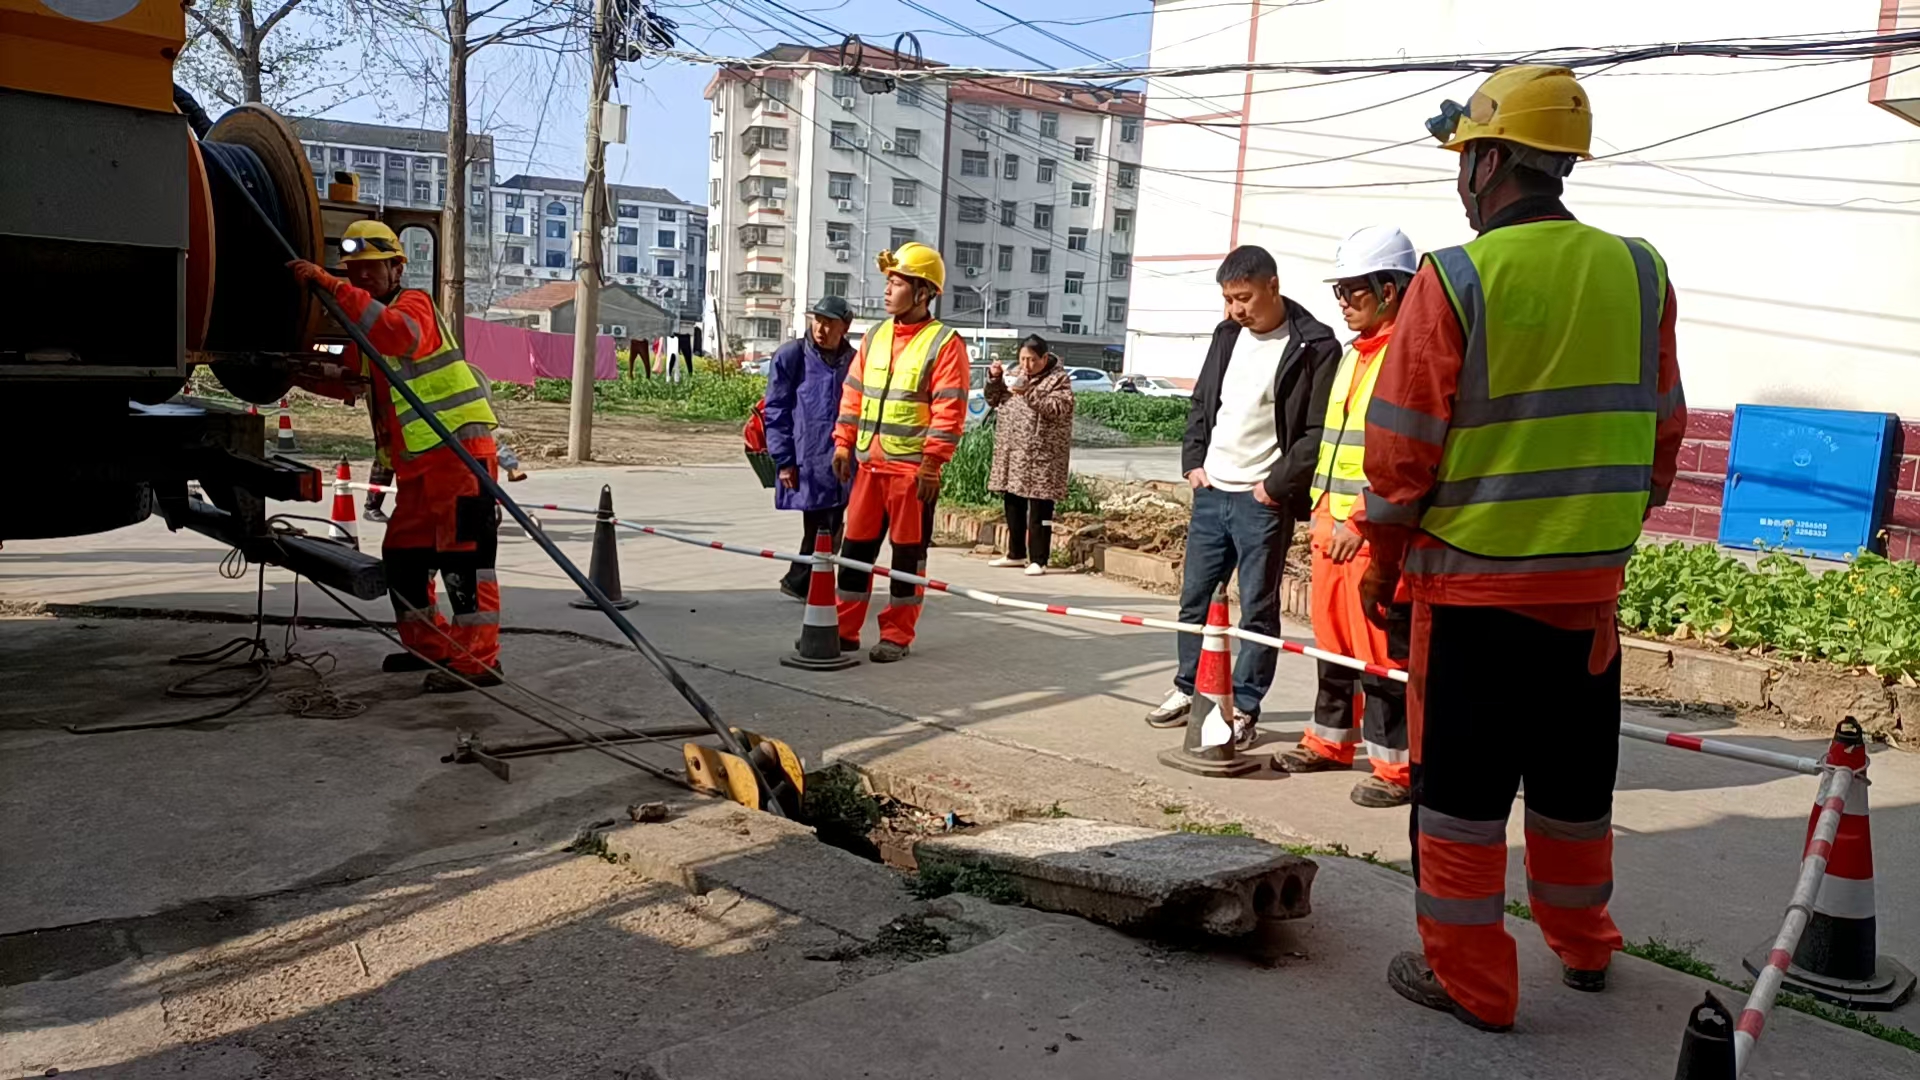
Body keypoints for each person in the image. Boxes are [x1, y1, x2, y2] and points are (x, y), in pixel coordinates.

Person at [1357, 66, 1686, 1032]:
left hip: (1470, 597)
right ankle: (1585, 946)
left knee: (1458, 798)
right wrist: (1601, 536)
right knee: (1575, 787)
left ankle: (1473, 982)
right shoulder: (1639, 270)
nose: (1461, 175)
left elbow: (1401, 452)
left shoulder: (1455, 277)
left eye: (1466, 155)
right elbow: (1664, 431)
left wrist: (1382, 566)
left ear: (1491, 161)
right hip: (1589, 602)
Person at [288, 220, 507, 693]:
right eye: (353, 272)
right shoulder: (367, 325)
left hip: (459, 454)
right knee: (403, 557)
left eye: (371, 269)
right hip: (419, 466)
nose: (361, 278)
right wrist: (287, 370)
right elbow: (344, 376)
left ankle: (479, 663)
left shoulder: (414, 307)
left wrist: (328, 284)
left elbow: (398, 336)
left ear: (396, 268)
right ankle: (431, 648)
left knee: (464, 561)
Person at [1144, 245, 1341, 749]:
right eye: (1229, 299)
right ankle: (1189, 686)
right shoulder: (1227, 334)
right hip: (1212, 491)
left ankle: (1246, 705)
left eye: (1244, 297)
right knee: (1194, 599)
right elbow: (1203, 402)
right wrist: (1193, 463)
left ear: (1272, 286)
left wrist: (1275, 487)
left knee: (1257, 607)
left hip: (1262, 502)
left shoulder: (1316, 345)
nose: (1236, 309)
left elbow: (1315, 431)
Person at [1272, 226, 1419, 809]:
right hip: (1333, 529)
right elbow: (1334, 445)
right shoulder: (1355, 358)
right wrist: (1319, 515)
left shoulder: (1406, 359)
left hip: (1370, 534)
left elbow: (1400, 456)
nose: (1343, 301)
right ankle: (1328, 742)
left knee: (1381, 655)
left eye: (1353, 290)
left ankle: (1397, 770)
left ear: (1390, 289)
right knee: (1334, 646)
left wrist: (1358, 522)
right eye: (1339, 291)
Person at [831, 242, 970, 663]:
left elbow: (950, 407)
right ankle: (844, 630)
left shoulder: (944, 343)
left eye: (897, 282)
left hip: (911, 471)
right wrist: (842, 443)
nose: (887, 290)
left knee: (907, 557)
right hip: (869, 466)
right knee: (854, 551)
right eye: (888, 282)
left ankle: (897, 634)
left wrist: (932, 464)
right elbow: (853, 394)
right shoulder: (875, 335)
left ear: (924, 292)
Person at [765, 296, 857, 599]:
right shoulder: (792, 356)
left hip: (845, 457)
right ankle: (804, 582)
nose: (821, 327)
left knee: (834, 524)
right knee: (819, 526)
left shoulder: (856, 361)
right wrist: (784, 460)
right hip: (808, 456)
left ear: (846, 325)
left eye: (830, 322)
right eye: (817, 319)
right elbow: (776, 410)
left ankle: (805, 581)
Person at [984, 336, 1075, 576]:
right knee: (1013, 501)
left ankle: (1039, 558)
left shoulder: (1059, 379)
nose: (1027, 364)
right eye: (1023, 359)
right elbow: (994, 400)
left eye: (1033, 360)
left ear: (1044, 358)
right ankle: (1015, 553)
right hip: (1013, 451)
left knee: (1040, 507)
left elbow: (1058, 409)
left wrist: (1028, 393)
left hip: (1042, 454)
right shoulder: (1014, 373)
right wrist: (995, 380)